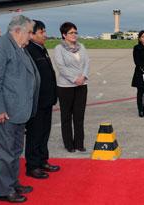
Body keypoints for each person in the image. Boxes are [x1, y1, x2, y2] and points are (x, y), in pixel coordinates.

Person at [0, 15, 40, 203]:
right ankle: (5, 190)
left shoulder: (18, 46)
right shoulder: (0, 47)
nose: (31, 36)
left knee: (14, 149)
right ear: (17, 31)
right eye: (29, 32)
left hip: (17, 110)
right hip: (4, 111)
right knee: (3, 151)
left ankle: (12, 182)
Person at [25, 20, 60, 179]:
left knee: (45, 133)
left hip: (47, 100)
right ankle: (32, 166)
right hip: (36, 102)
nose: (45, 35)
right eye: (41, 32)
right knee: (35, 134)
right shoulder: (29, 50)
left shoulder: (41, 49)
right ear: (31, 34)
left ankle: (42, 160)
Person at [54, 22, 89, 153]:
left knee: (79, 116)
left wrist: (83, 77)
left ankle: (79, 143)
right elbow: (61, 67)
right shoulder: (59, 48)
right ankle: (69, 144)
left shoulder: (82, 47)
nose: (74, 35)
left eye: (75, 32)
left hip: (82, 86)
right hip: (65, 87)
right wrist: (75, 79)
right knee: (66, 117)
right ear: (64, 35)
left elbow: (87, 63)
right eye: (71, 33)